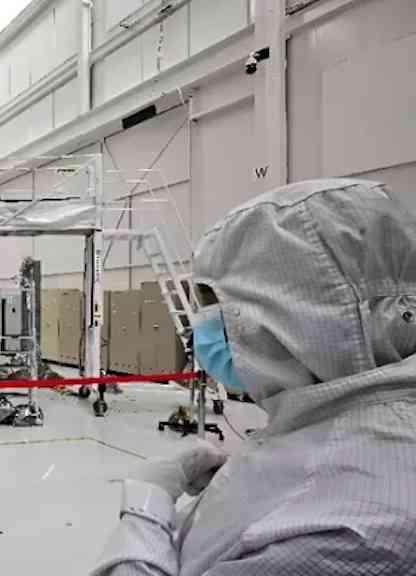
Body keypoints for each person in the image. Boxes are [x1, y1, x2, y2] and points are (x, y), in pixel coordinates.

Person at [92, 179, 416, 575]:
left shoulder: (352, 526)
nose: (204, 330)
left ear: (294, 319)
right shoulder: (342, 427)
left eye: (219, 311)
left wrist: (146, 506)